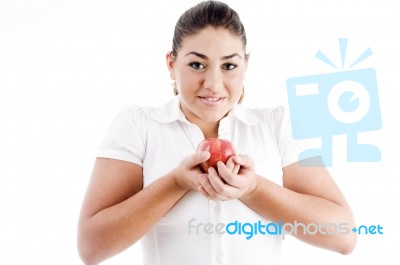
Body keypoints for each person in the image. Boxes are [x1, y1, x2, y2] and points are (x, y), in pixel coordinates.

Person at [77, 1, 356, 264]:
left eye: (229, 66)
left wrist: (254, 188)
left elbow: (344, 236)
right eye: (197, 64)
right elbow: (91, 247)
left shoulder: (278, 126)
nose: (213, 83)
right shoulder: (139, 126)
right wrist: (175, 183)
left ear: (246, 65)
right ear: (171, 65)